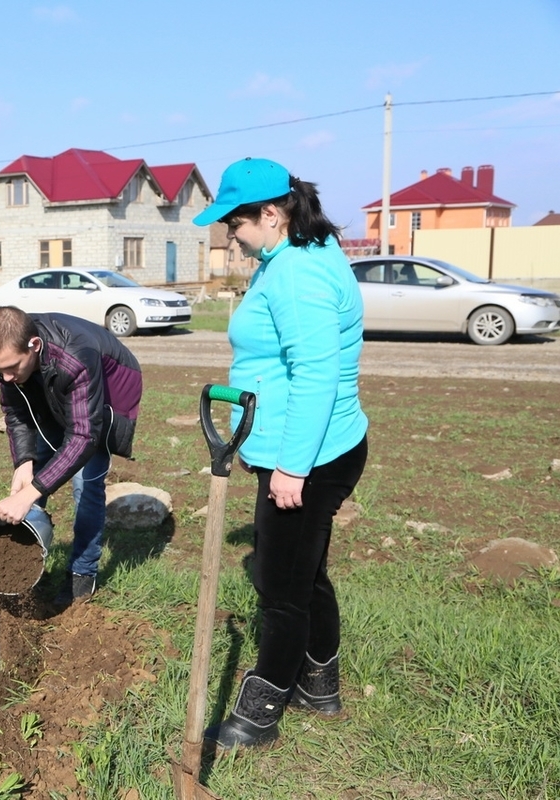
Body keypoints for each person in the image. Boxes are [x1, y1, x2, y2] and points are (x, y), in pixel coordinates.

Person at [192, 157, 368, 750]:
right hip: (305, 446)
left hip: (313, 456)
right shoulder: (293, 257)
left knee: (280, 586)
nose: (230, 236)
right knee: (305, 571)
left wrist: (291, 466)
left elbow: (316, 374)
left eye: (235, 224)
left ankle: (260, 711)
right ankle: (320, 687)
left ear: (271, 214)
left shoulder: (298, 274)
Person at [0, 306, 142, 606]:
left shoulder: (76, 356)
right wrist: (23, 462)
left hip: (111, 390)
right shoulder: (7, 358)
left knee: (86, 481)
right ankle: (25, 561)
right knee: (39, 462)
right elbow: (16, 411)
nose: (5, 376)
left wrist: (31, 493)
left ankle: (82, 574)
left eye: (12, 367)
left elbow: (84, 435)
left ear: (35, 345)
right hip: (55, 382)